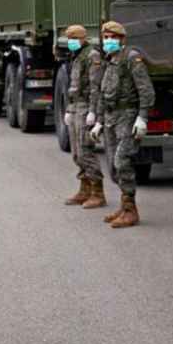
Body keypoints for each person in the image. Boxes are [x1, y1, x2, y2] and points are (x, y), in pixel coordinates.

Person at [89, 21, 155, 229]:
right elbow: (102, 92)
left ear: (122, 39)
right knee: (112, 167)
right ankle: (123, 205)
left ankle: (130, 210)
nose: (108, 41)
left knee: (122, 160)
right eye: (105, 37)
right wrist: (98, 121)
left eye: (112, 37)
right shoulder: (110, 60)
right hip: (110, 118)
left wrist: (142, 117)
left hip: (127, 115)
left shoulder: (131, 58)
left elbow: (146, 90)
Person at [63, 25, 106, 209]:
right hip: (75, 106)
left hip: (85, 107)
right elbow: (73, 86)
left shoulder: (92, 56)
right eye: (68, 38)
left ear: (82, 38)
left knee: (85, 150)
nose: (69, 42)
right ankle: (84, 188)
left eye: (73, 38)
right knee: (76, 152)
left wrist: (93, 112)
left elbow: (96, 87)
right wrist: (68, 109)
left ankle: (98, 192)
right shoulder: (77, 55)